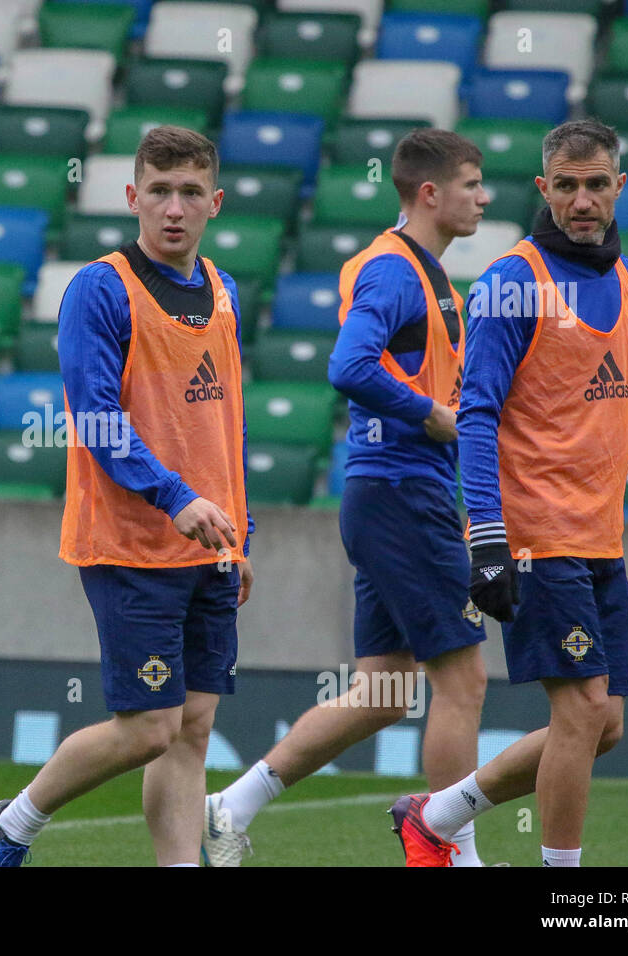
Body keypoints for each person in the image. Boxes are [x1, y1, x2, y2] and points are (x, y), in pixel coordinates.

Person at [391, 118, 628, 867]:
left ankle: (435, 817)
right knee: (582, 711)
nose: (583, 200)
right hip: (536, 536)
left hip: (600, 537)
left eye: (596, 184)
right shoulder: (509, 282)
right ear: (543, 189)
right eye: (566, 185)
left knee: (609, 725)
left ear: (620, 187)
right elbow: (475, 417)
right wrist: (488, 539)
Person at [202, 129, 492, 867]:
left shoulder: (423, 275)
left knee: (385, 694)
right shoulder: (396, 272)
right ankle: (452, 851)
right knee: (463, 679)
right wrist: (431, 418)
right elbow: (349, 363)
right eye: (472, 183)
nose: (484, 197)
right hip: (399, 493)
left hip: (392, 493)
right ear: (431, 193)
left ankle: (231, 806)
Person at [0, 125, 253, 868]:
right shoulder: (100, 288)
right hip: (132, 542)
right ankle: (13, 822)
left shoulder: (221, 288)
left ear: (215, 203)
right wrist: (175, 497)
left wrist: (238, 533)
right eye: (158, 192)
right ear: (132, 197)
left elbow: (226, 419)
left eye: (190, 193)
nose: (173, 208)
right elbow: (94, 418)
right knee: (150, 727)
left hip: (207, 545)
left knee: (193, 727)